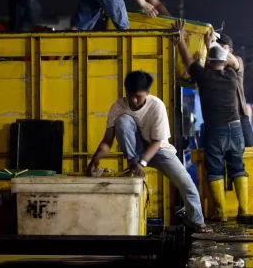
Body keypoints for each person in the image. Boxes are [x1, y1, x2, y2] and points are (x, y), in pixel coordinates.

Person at [87, 70, 211, 233]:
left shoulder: (156, 106)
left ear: (147, 92)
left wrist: (142, 162)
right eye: (130, 95)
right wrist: (95, 158)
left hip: (159, 150)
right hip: (136, 152)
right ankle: (132, 163)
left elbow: (157, 141)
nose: (133, 100)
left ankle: (196, 221)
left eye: (138, 96)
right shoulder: (119, 106)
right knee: (123, 121)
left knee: (185, 181)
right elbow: (107, 141)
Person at [175, 20, 249, 222]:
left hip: (216, 131)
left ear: (208, 62)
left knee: (215, 169)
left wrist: (180, 38)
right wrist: (211, 44)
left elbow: (188, 59)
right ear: (224, 61)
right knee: (238, 167)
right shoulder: (233, 76)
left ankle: (222, 214)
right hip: (236, 129)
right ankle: (243, 211)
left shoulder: (204, 76)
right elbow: (222, 61)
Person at [218, 33, 253, 147]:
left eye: (223, 48)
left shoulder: (238, 61)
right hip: (221, 120)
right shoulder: (211, 66)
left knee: (250, 150)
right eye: (217, 47)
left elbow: (232, 61)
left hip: (240, 117)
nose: (219, 51)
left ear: (231, 50)